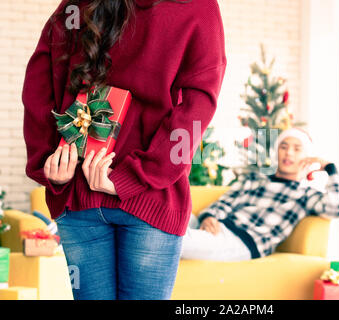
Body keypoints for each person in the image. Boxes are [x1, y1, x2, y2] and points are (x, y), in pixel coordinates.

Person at [22, 0, 226, 300]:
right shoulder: (196, 6)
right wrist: (138, 175)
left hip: (78, 193)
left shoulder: (76, 5)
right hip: (150, 198)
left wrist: (48, 159)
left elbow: (38, 81)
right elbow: (199, 104)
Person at [180, 127, 339, 261]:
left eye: (297, 149)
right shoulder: (255, 179)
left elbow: (334, 208)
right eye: (283, 147)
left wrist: (331, 169)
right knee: (173, 215)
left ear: (307, 157)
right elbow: (226, 201)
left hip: (242, 243)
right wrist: (209, 216)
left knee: (175, 240)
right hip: (218, 227)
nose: (289, 153)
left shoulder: (306, 195)